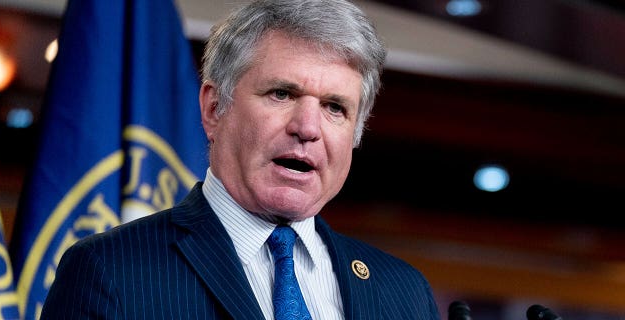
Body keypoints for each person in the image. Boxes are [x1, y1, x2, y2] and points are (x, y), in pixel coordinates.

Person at [41, 0, 441, 319]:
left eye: (334, 107)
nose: (308, 127)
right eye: (282, 94)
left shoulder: (403, 293)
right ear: (215, 108)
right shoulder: (110, 271)